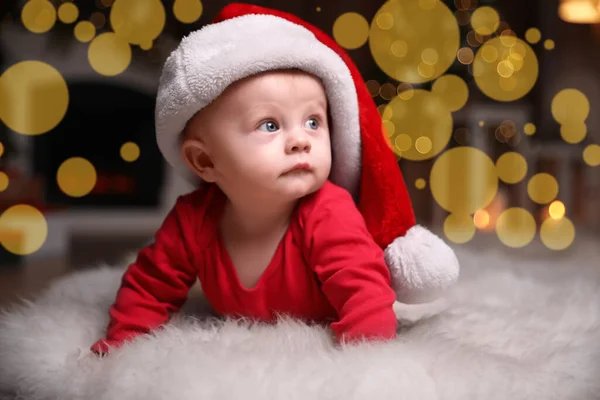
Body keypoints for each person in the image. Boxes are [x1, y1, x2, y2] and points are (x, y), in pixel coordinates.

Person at [90, 2, 459, 355]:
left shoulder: (327, 212)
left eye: (314, 121)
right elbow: (150, 286)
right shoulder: (194, 220)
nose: (301, 140)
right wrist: (122, 344)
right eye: (269, 124)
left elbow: (365, 294)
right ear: (204, 160)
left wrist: (363, 365)